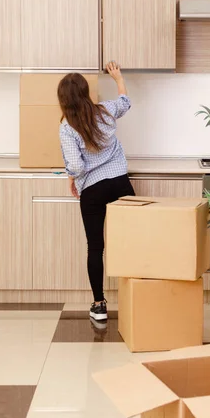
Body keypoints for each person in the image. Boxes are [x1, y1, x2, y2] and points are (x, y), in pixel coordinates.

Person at [58, 62, 134, 322]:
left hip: (92, 189)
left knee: (95, 247)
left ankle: (100, 305)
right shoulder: (104, 111)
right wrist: (118, 77)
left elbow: (77, 165)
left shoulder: (67, 127)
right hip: (120, 183)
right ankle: (137, 297)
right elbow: (124, 102)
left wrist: (71, 177)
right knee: (134, 240)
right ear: (85, 91)